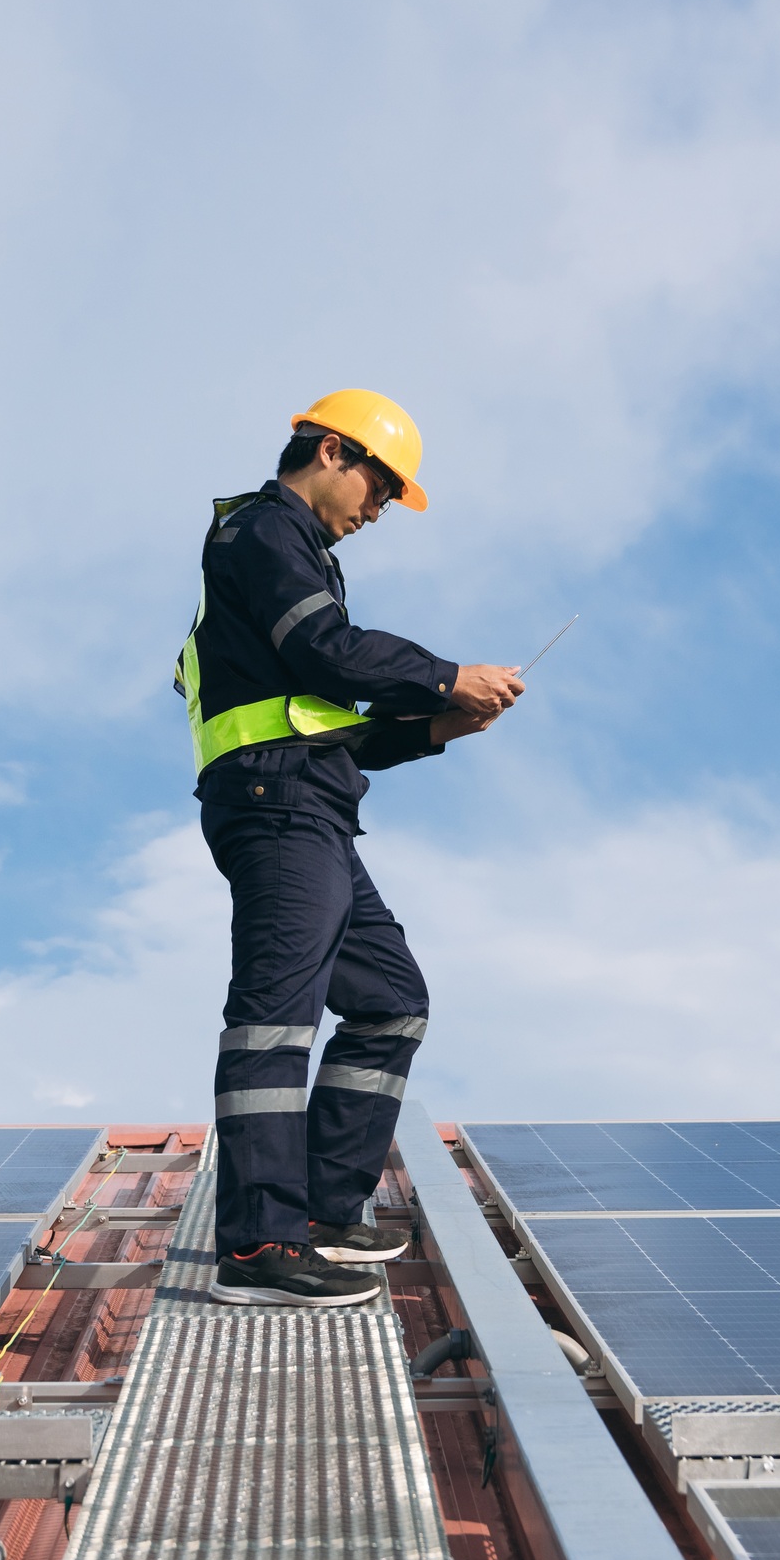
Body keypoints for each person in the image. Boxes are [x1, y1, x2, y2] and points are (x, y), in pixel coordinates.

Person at [174, 389, 524, 1307]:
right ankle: (258, 1246)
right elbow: (328, 649)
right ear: (330, 452)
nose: (378, 510)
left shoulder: (297, 558)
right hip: (274, 806)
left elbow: (338, 730)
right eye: (380, 485)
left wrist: (443, 726)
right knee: (275, 1016)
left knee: (390, 1002)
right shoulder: (261, 534)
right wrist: (447, 673)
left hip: (309, 802)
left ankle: (324, 1209)